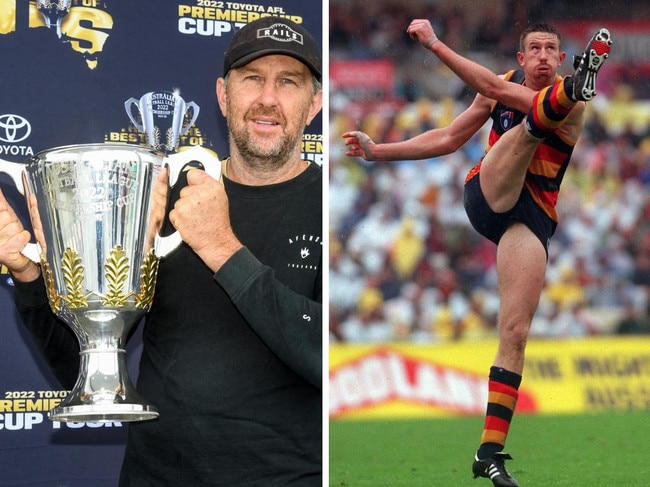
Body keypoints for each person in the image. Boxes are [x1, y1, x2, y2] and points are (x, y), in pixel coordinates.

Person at [0, 16, 323, 486]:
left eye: (288, 82)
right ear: (222, 94)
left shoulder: (330, 205)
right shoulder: (162, 202)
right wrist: (28, 275)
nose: (268, 98)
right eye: (252, 78)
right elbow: (86, 365)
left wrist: (221, 247)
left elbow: (324, 357)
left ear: (314, 106)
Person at [343, 19, 612, 487]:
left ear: (561, 60)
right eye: (536, 49)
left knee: (516, 331)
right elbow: (449, 137)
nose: (544, 55)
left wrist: (433, 43)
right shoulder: (506, 87)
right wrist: (376, 152)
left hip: (531, 219)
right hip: (487, 194)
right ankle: (581, 76)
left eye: (553, 49)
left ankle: (488, 452)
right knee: (530, 128)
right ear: (522, 59)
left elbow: (504, 95)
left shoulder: (575, 105)